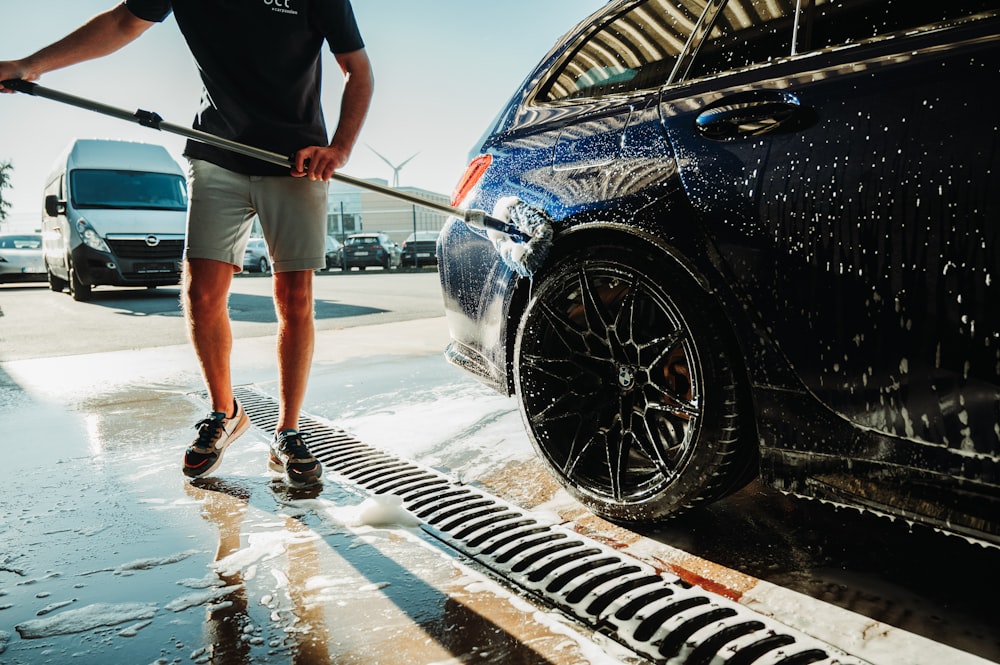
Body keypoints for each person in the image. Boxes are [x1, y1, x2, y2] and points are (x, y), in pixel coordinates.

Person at [0, 1, 374, 487]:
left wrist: (340, 146)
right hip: (217, 151)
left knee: (295, 298)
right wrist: (28, 67)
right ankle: (225, 412)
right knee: (201, 293)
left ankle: (288, 432)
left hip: (296, 158)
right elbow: (121, 22)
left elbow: (357, 68)